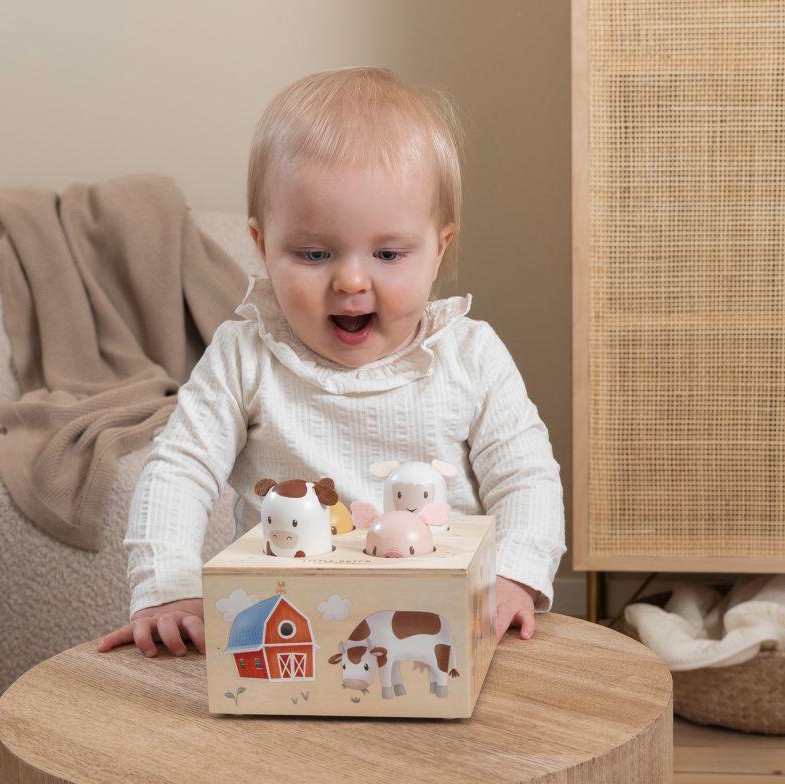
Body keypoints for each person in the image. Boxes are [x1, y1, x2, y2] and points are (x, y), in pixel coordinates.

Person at [98, 66, 565, 658]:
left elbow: (526, 476)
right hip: (288, 616)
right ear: (262, 245)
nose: (350, 280)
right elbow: (177, 471)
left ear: (439, 246)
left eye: (389, 253)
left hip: (444, 623)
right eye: (314, 253)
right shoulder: (246, 356)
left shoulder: (470, 356)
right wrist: (168, 590)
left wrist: (516, 575)